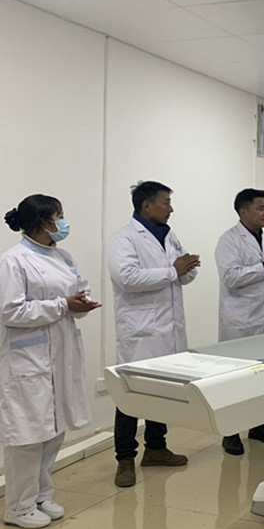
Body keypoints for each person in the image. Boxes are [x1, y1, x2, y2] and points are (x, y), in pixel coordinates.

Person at [1, 195, 101, 529]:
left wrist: (81, 303)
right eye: (60, 216)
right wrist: (62, 305)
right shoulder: (14, 261)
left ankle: (41, 495)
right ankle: (18, 507)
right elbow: (11, 311)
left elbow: (79, 289)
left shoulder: (63, 256)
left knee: (54, 430)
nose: (64, 222)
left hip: (61, 355)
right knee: (28, 435)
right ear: (43, 222)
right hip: (27, 360)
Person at [107, 181, 200, 487]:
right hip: (141, 331)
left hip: (168, 328)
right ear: (146, 206)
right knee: (130, 395)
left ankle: (156, 448)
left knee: (161, 391)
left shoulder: (168, 234)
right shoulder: (124, 239)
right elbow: (127, 278)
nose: (171, 208)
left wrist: (186, 268)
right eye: (166, 202)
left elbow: (183, 274)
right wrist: (173, 270)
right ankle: (125, 458)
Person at [215, 188, 264, 455]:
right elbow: (231, 278)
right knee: (235, 380)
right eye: (260, 208)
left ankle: (258, 426)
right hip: (241, 322)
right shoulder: (228, 240)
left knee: (263, 378)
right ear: (243, 211)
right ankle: (230, 432)